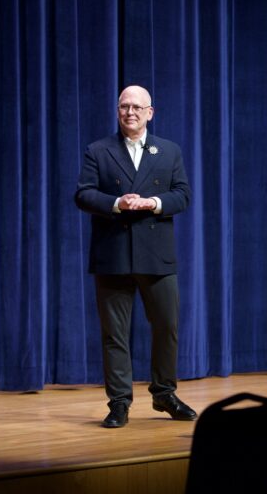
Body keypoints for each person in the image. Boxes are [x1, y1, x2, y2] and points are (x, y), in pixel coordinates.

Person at [75, 85, 196, 427]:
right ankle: (119, 402)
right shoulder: (98, 150)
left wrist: (153, 204)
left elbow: (183, 195)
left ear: (150, 113)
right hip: (112, 255)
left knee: (167, 327)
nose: (130, 112)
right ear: (117, 111)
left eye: (136, 107)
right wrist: (117, 204)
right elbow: (83, 194)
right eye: (124, 106)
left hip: (157, 255)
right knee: (115, 333)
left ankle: (164, 394)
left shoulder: (169, 151)